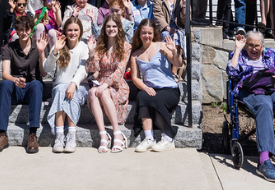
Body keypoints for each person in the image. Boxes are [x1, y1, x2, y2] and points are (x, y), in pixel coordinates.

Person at [226, 31, 275, 182]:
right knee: (265, 105)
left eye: (257, 46)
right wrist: (238, 48)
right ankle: (264, 161)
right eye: (250, 45)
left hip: (272, 88)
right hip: (251, 91)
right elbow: (231, 72)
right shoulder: (240, 55)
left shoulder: (271, 54)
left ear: (263, 46)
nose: (253, 49)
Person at [0, 12, 49, 154]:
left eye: (27, 29)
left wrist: (41, 53)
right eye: (21, 30)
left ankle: (32, 134)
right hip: (16, 86)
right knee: (5, 84)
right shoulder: (10, 47)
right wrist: (15, 80)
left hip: (32, 89)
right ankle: (2, 134)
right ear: (17, 30)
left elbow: (44, 73)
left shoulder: (38, 46)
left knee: (37, 84)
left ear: (31, 30)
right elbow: (5, 74)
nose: (24, 33)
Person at [128, 19, 185, 152]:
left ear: (153, 34)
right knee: (142, 96)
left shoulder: (162, 46)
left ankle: (168, 137)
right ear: (139, 34)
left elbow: (178, 64)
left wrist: (175, 52)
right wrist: (146, 87)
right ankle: (149, 138)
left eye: (149, 33)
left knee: (155, 99)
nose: (146, 36)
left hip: (169, 89)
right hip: (151, 88)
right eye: (143, 33)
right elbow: (135, 77)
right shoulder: (136, 54)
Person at [84, 13, 131, 153]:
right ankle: (103, 134)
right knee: (92, 92)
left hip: (117, 84)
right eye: (108, 26)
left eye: (114, 26)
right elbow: (93, 69)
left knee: (104, 93)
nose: (111, 29)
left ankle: (117, 134)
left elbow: (120, 71)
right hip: (101, 81)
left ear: (119, 28)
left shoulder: (126, 46)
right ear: (104, 28)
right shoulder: (100, 46)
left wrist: (106, 84)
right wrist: (92, 53)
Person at [44, 16, 91, 153]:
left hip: (79, 87)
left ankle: (71, 135)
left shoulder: (83, 47)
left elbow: (84, 70)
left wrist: (73, 83)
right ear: (65, 31)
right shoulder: (59, 45)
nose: (73, 33)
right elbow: (47, 69)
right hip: (60, 87)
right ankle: (59, 136)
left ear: (80, 32)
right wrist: (54, 52)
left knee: (70, 91)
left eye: (76, 30)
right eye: (70, 30)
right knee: (61, 90)